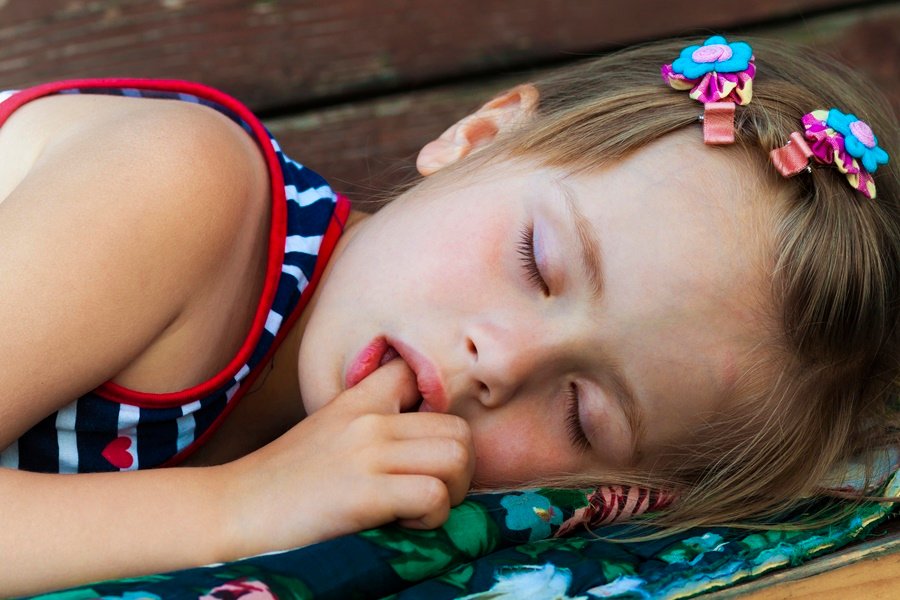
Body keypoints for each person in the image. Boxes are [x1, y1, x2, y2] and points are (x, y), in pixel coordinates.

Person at [0, 35, 896, 595]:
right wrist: (238, 504)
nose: (499, 362)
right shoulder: (178, 191)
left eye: (582, 413)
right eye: (535, 263)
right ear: (475, 138)